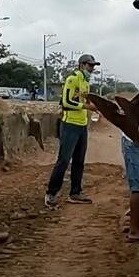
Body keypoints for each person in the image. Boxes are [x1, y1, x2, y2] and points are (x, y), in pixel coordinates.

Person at [44, 54, 100, 209]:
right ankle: (51, 193)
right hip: (69, 125)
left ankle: (75, 192)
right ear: (82, 65)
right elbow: (66, 102)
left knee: (79, 161)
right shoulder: (72, 79)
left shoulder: (85, 82)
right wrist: (87, 107)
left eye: (93, 66)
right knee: (63, 160)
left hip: (82, 126)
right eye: (90, 66)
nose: (92, 69)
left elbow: (84, 100)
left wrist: (94, 106)